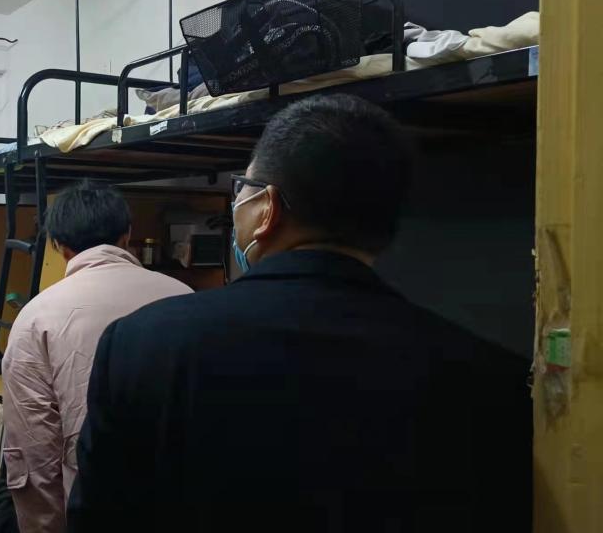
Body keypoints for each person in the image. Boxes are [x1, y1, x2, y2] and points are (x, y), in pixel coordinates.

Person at [68, 94, 531, 532]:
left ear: (267, 209)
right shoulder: (489, 375)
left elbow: (99, 518)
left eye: (243, 190)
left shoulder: (142, 344)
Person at [1, 180, 192, 533]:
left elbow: (34, 452)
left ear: (59, 246)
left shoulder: (36, 317)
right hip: (184, 505)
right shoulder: (186, 296)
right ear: (127, 234)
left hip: (94, 510)